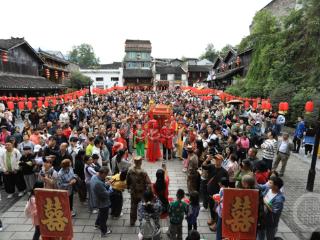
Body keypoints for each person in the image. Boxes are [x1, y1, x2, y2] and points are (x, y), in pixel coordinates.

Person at [202, 154, 228, 232]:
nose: (217, 161)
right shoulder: (211, 166)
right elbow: (203, 166)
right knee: (211, 207)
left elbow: (226, 183)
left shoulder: (224, 172)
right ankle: (213, 219)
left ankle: (216, 223)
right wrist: (207, 159)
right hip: (210, 191)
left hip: (218, 194)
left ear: (222, 161)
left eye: (219, 160)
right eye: (216, 159)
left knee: (217, 209)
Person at [126, 156, 151, 226]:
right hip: (142, 193)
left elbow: (127, 181)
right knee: (143, 206)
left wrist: (128, 187)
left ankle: (132, 221)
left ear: (134, 162)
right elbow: (149, 183)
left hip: (133, 192)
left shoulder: (130, 171)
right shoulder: (144, 172)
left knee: (133, 207)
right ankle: (143, 221)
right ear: (141, 162)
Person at [258, 176, 285, 240]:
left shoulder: (279, 199)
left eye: (271, 183)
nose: (268, 183)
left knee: (269, 236)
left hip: (270, 222)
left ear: (276, 186)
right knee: (260, 234)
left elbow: (274, 211)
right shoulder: (268, 189)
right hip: (262, 219)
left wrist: (264, 202)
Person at [90, 166, 112, 237]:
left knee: (101, 213)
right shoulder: (98, 183)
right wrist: (111, 188)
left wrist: (106, 184)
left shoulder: (94, 177)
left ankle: (97, 224)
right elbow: (106, 194)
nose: (105, 176)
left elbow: (101, 188)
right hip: (103, 202)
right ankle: (104, 232)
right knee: (104, 217)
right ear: (102, 174)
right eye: (105, 175)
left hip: (97, 199)